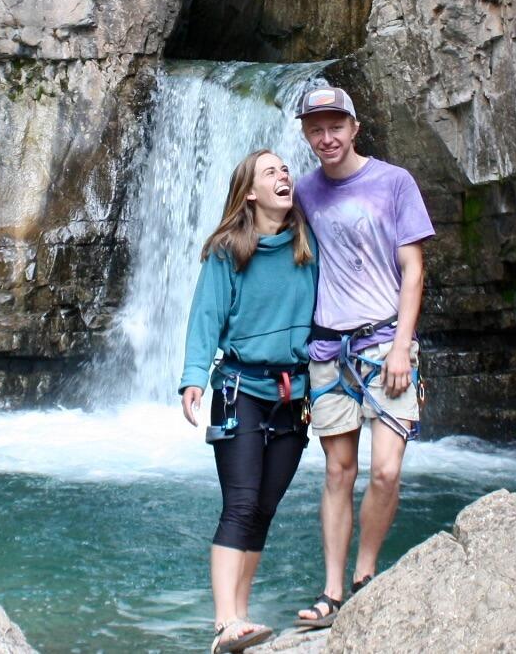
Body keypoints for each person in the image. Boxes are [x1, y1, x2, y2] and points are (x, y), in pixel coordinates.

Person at [291, 86, 435, 628]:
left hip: (384, 344)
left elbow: (414, 269)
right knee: (337, 472)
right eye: (315, 129)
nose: (325, 138)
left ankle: (365, 576)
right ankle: (331, 592)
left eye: (335, 126)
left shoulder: (394, 182)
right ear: (307, 134)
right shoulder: (303, 191)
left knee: (386, 472)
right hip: (328, 348)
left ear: (354, 127)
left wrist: (402, 345)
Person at [179, 149, 319, 653]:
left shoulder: (309, 243)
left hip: (294, 394)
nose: (283, 176)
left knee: (263, 507)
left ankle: (241, 615)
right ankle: (224, 622)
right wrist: (194, 376)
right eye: (270, 172)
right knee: (239, 503)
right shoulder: (227, 249)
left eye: (286, 169)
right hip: (240, 390)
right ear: (251, 192)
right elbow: (205, 317)